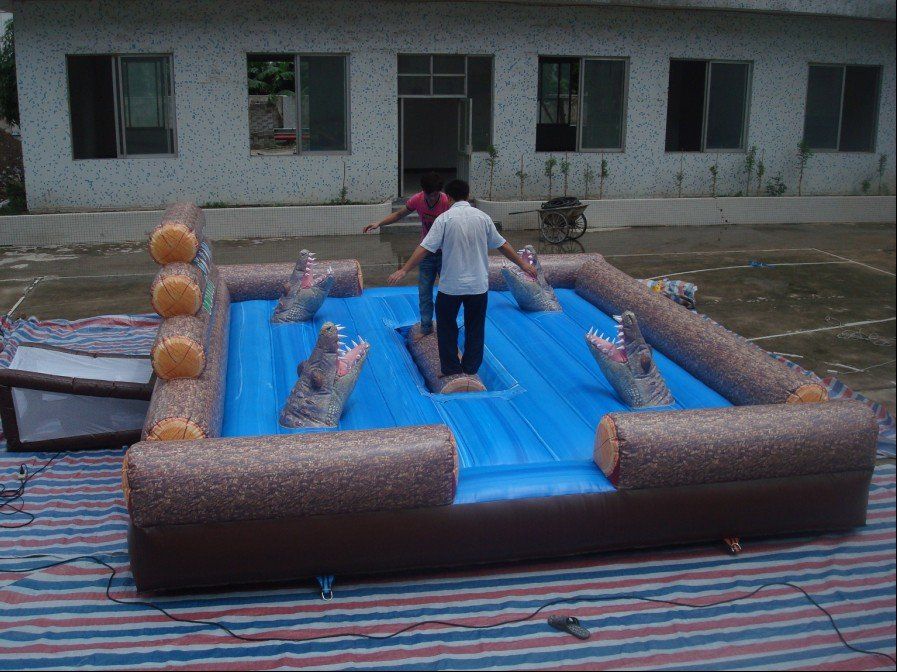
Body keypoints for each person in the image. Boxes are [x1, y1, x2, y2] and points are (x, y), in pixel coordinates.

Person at [388, 179, 536, 378]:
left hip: (451, 286)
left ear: (448, 197)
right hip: (478, 286)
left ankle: (451, 369)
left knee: (446, 327)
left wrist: (404, 270)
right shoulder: (483, 218)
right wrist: (523, 265)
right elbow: (502, 245)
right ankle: (470, 368)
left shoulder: (444, 219)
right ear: (468, 195)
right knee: (475, 327)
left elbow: (425, 247)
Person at [363, 171, 449, 335]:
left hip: (447, 253)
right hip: (426, 252)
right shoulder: (418, 199)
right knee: (424, 292)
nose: (432, 198)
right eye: (429, 195)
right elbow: (399, 214)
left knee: (448, 293)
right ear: (423, 191)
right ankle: (426, 328)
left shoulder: (446, 201)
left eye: (435, 195)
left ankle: (446, 327)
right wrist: (379, 223)